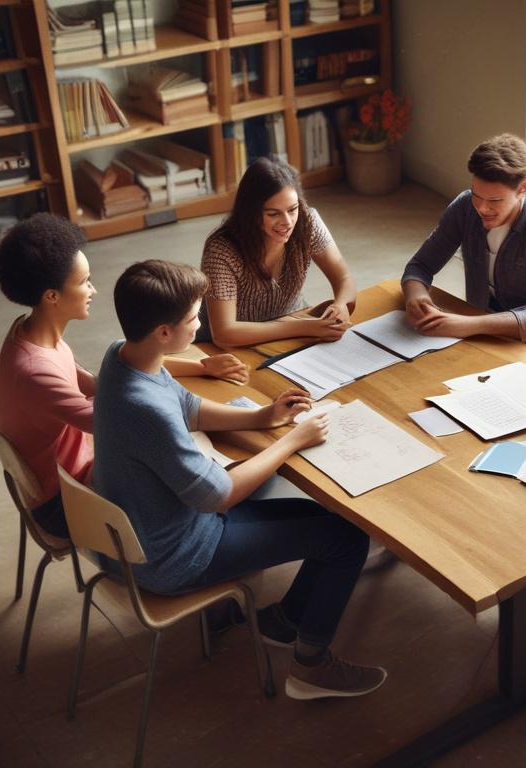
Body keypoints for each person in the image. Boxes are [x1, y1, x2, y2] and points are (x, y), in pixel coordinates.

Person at [93, 260, 385, 699]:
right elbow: (219, 495)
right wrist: (291, 441)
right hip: (175, 555)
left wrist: (262, 416)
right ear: (163, 332)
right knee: (346, 542)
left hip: (154, 530)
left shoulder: (123, 355)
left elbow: (187, 404)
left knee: (333, 524)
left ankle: (283, 623)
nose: (200, 323)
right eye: (193, 317)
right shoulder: (144, 410)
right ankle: (310, 667)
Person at [0, 214, 246, 538]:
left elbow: (108, 383)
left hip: (68, 477)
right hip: (67, 503)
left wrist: (198, 367)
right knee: (199, 459)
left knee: (195, 441)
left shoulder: (33, 336)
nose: (93, 290)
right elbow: (119, 415)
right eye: (84, 281)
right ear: (51, 296)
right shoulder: (34, 370)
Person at [401, 133, 526, 364]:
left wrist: (466, 325)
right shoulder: (466, 207)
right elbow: (420, 266)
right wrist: (416, 297)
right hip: (488, 320)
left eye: (495, 201)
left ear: (522, 189)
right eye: (477, 195)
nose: (482, 208)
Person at [200, 157, 356, 347]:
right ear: (251, 212)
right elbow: (224, 334)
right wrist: (302, 327)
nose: (287, 222)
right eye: (273, 214)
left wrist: (340, 305)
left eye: (292, 209)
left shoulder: (307, 222)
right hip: (237, 344)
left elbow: (344, 278)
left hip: (293, 323)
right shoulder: (222, 250)